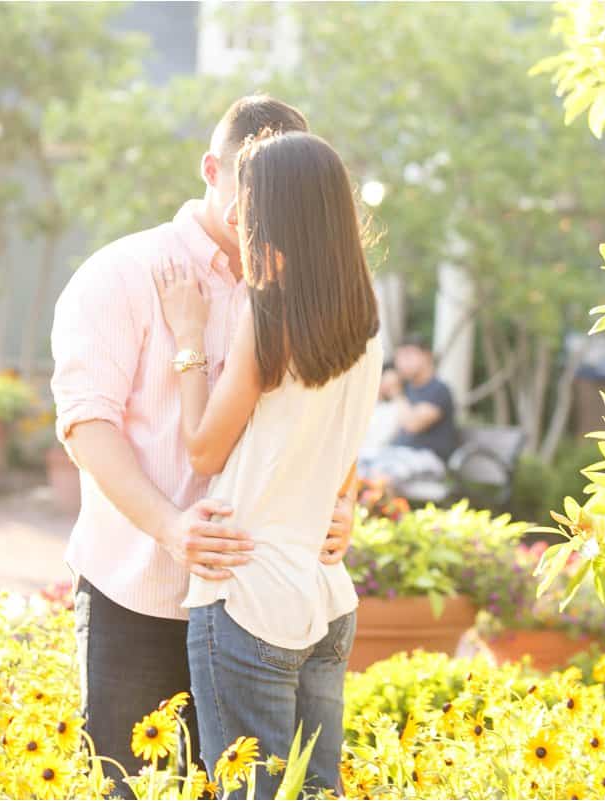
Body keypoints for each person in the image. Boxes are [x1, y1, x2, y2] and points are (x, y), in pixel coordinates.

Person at [49, 97, 356, 797]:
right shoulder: (120, 273)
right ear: (213, 170)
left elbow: (335, 412)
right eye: (255, 195)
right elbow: (86, 424)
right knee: (134, 787)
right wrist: (172, 527)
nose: (268, 217)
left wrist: (341, 501)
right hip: (142, 595)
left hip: (262, 610)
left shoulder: (306, 287)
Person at [156, 130, 381, 797]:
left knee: (249, 790)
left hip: (249, 593)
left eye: (247, 202)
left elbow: (203, 448)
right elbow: (342, 456)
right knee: (315, 789)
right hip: (325, 590)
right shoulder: (366, 319)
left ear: (277, 214)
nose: (234, 216)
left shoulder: (269, 312)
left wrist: (191, 340)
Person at [358, 337, 459, 485]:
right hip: (396, 453)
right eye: (399, 357)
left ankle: (388, 508)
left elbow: (413, 425)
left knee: (383, 474)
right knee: (357, 466)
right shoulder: (406, 389)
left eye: (408, 355)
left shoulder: (438, 390)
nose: (402, 363)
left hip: (428, 458)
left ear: (426, 356)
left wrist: (395, 392)